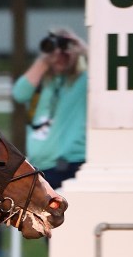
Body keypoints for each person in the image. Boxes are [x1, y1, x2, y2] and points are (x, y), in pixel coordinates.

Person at [12, 26, 88, 190]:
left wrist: (81, 48)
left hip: (73, 163)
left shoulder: (83, 82)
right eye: (55, 52)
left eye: (65, 52)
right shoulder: (40, 83)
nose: (59, 56)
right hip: (41, 165)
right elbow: (19, 93)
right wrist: (45, 59)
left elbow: (105, 71)